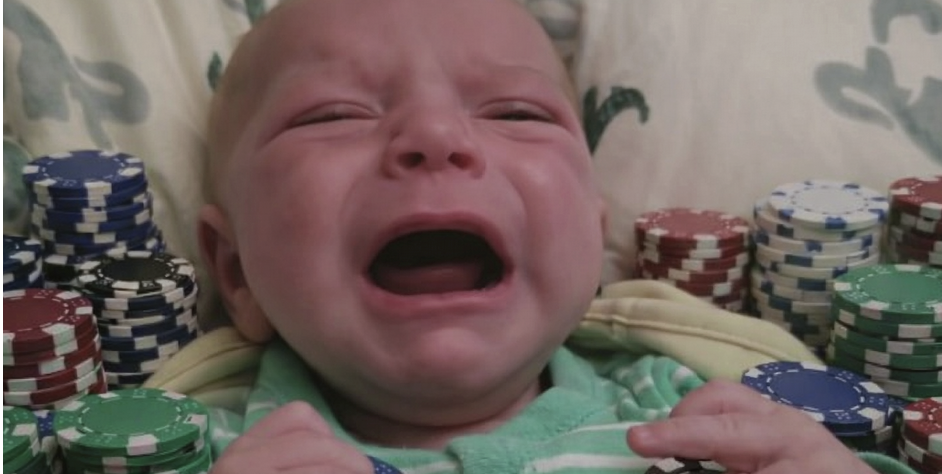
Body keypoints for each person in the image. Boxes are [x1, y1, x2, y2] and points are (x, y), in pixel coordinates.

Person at [195, 0, 913, 472]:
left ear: (592, 250)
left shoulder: (699, 412)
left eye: (515, 113)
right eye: (333, 116)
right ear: (234, 273)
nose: (436, 134)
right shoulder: (196, 448)